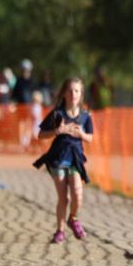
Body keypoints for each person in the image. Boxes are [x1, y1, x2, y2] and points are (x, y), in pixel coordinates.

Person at [33, 78, 94, 244]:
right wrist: (58, 130)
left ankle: (73, 219)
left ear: (81, 95)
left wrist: (81, 134)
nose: (73, 94)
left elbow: (90, 138)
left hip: (75, 159)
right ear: (64, 93)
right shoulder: (57, 114)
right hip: (58, 158)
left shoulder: (85, 116)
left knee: (77, 193)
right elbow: (40, 135)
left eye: (77, 91)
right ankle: (60, 231)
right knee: (64, 198)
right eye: (70, 90)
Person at [14, 60, 36, 149]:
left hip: (30, 107)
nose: (25, 71)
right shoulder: (19, 81)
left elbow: (35, 93)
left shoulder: (32, 81)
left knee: (28, 124)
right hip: (20, 106)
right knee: (21, 124)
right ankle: (21, 143)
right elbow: (15, 94)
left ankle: (26, 143)